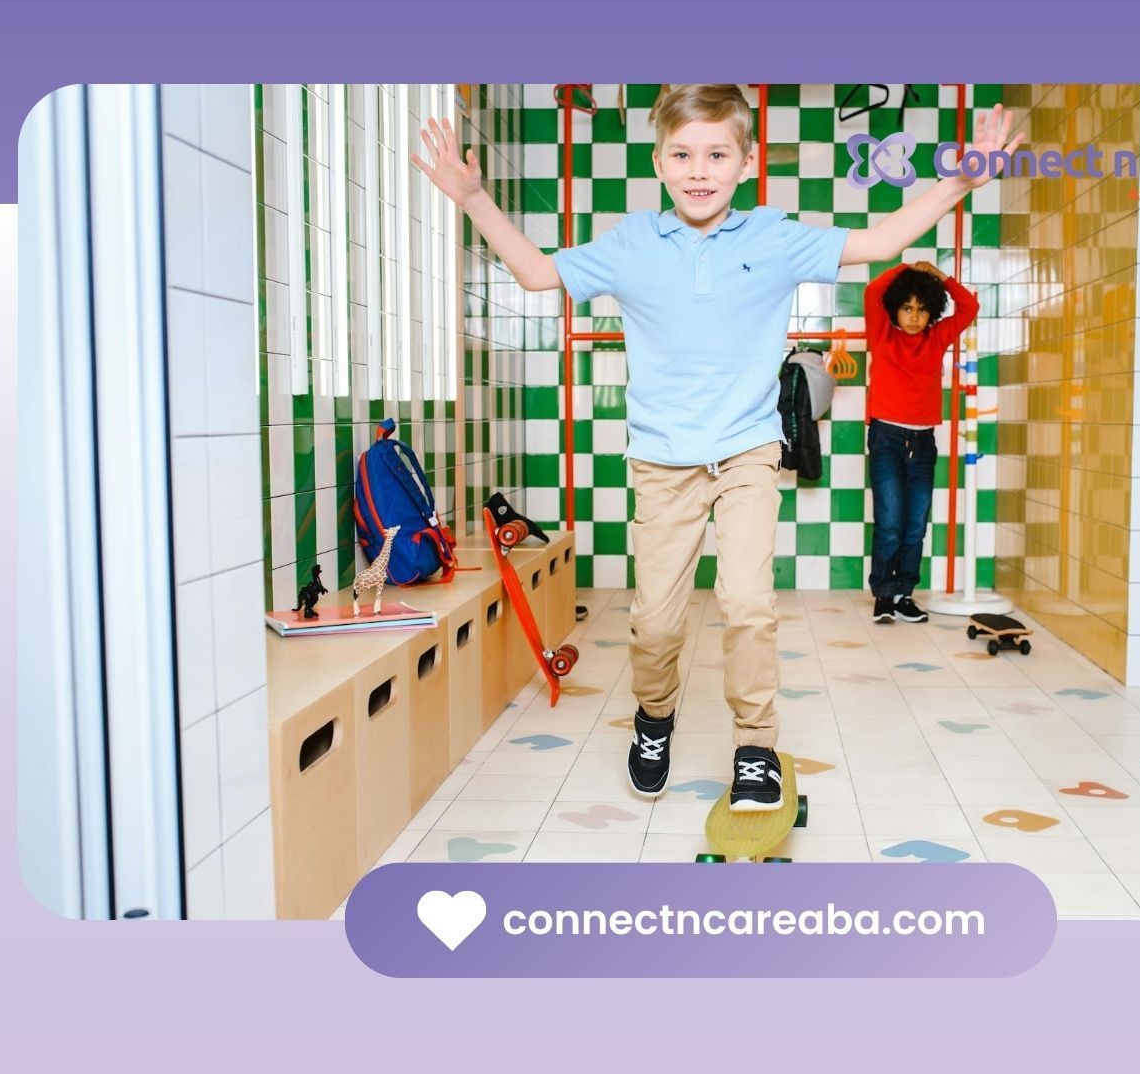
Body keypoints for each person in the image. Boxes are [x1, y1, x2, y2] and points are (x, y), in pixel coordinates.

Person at [412, 84, 1019, 811]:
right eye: (683, 154)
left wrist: (958, 180)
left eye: (717, 154)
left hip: (747, 454)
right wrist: (475, 198)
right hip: (662, 462)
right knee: (657, 620)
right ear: (660, 162)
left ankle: (756, 746)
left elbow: (881, 244)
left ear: (746, 160)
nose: (700, 169)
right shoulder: (633, 243)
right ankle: (654, 717)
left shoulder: (773, 236)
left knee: (749, 605)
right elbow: (538, 274)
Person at [863, 260, 978, 623]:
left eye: (923, 309)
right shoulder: (882, 334)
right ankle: (883, 595)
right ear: (896, 307)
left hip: (923, 442)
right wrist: (905, 268)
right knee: (890, 522)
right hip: (887, 439)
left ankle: (903, 594)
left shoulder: (937, 338)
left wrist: (940, 277)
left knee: (915, 524)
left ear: (932, 313)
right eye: (907, 307)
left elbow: (970, 307)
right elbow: (871, 292)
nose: (914, 317)